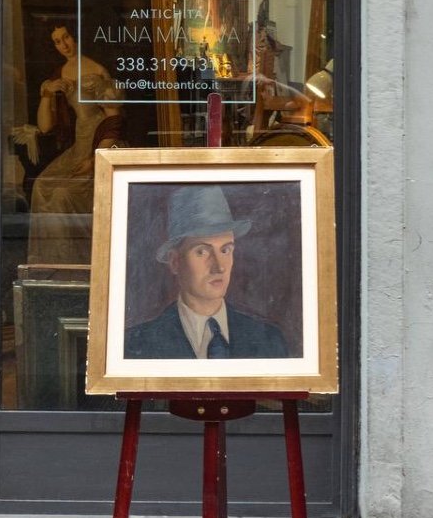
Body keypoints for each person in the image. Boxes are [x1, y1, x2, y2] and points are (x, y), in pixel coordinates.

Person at [124, 185, 288, 360]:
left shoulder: (269, 340)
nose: (219, 267)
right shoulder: (136, 344)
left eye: (225, 250)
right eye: (202, 251)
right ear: (175, 262)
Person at [27, 25, 122, 265]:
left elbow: (114, 115)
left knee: (63, 194)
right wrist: (47, 94)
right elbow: (45, 127)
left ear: (76, 37)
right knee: (41, 186)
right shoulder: (58, 74)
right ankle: (51, 264)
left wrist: (97, 157)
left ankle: (76, 262)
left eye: (66, 37)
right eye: (57, 42)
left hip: (101, 139)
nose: (64, 45)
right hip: (80, 141)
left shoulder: (96, 69)